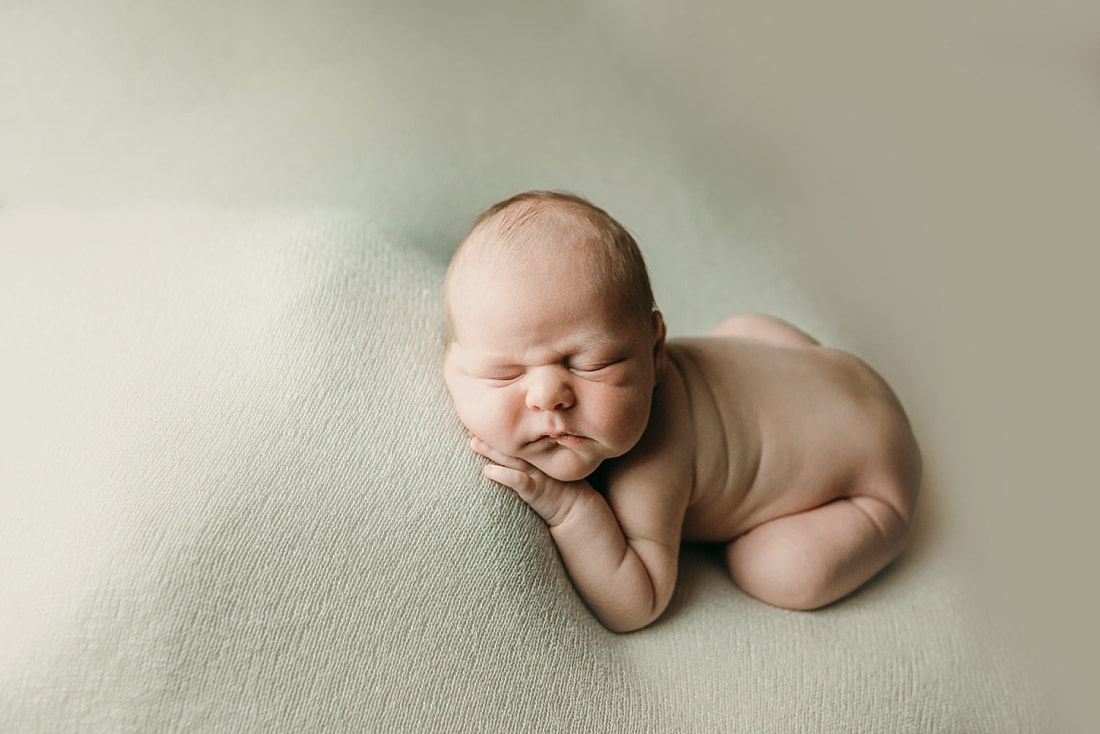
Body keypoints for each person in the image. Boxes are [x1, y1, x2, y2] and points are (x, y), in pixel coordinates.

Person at [442, 191, 921, 633]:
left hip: (876, 468)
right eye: (504, 374)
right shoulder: (600, 375)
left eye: (592, 363)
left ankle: (887, 520)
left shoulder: (650, 464)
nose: (549, 396)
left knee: (776, 570)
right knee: (742, 326)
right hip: (837, 372)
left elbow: (639, 601)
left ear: (655, 353)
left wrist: (569, 507)